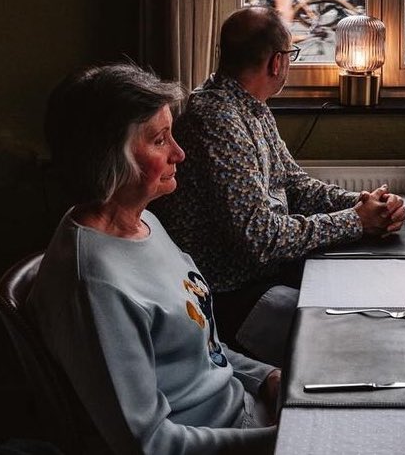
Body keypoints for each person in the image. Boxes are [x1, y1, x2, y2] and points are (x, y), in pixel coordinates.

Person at [28, 63, 279, 453]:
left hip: (244, 417)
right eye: (160, 140)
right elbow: (149, 444)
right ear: (109, 158)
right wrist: (287, 440)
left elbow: (202, 348)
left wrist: (267, 378)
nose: (179, 152)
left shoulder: (143, 221)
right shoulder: (96, 286)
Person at [153, 6, 405, 344]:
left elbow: (294, 184)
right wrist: (356, 221)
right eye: (291, 54)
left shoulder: (250, 106)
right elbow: (262, 239)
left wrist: (365, 203)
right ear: (276, 62)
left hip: (265, 272)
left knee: (372, 288)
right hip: (226, 293)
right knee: (352, 331)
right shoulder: (217, 120)